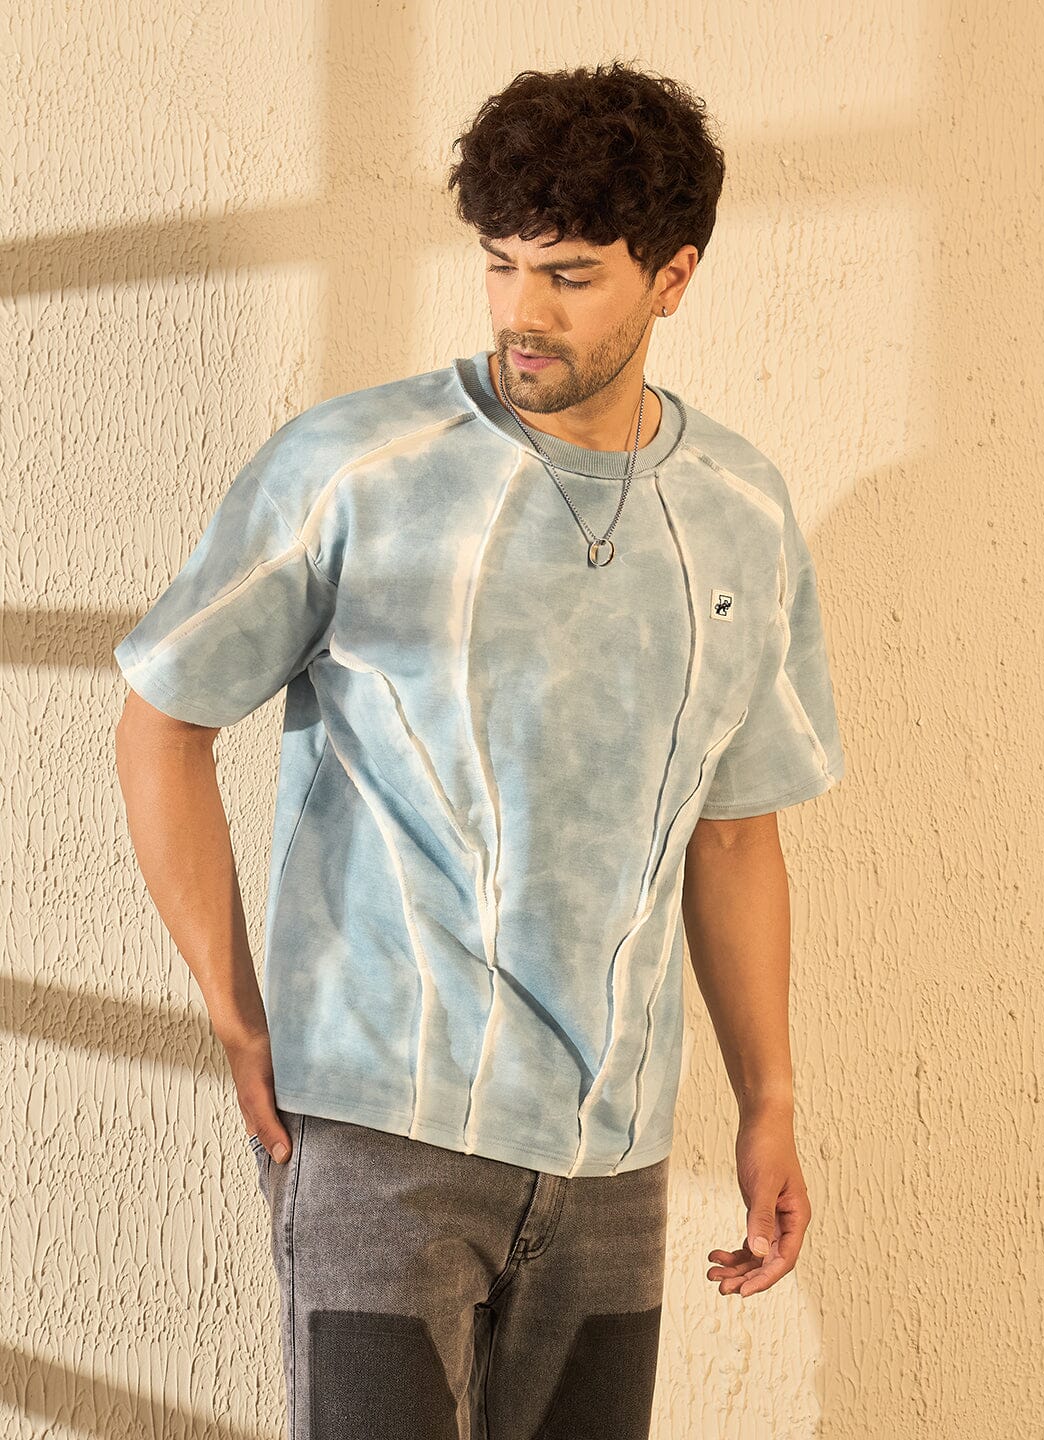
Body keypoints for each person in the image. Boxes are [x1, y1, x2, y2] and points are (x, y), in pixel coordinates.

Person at [113, 59, 846, 1440]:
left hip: (613, 1163)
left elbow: (739, 830)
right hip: (381, 1135)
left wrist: (770, 1100)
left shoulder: (743, 513)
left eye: (569, 275)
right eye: (501, 264)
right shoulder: (357, 468)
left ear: (673, 277)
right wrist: (235, 1007)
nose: (522, 312)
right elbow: (163, 717)